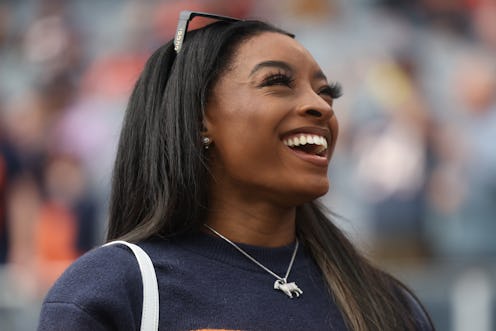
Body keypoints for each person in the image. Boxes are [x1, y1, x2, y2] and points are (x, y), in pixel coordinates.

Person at [37, 11, 434, 331]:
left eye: (327, 92)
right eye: (277, 82)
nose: (322, 107)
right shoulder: (117, 289)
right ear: (198, 118)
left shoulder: (388, 302)